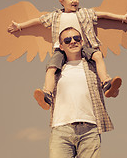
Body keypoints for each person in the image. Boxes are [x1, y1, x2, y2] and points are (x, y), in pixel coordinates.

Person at [8, 0, 127, 110]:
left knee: (97, 55)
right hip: (61, 48)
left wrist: (121, 18)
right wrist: (19, 26)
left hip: (83, 45)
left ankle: (106, 83)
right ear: (61, 1)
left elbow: (103, 15)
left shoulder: (84, 13)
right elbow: (38, 21)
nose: (75, 1)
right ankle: (47, 95)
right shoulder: (55, 16)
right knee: (51, 68)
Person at [49, 26, 114, 158]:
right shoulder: (57, 69)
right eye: (67, 40)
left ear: (82, 42)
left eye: (76, 38)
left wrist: (111, 88)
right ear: (61, 46)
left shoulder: (93, 65)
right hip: (61, 128)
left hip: (89, 129)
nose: (72, 41)